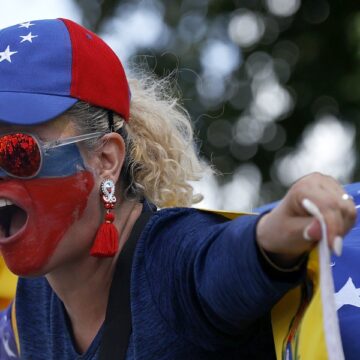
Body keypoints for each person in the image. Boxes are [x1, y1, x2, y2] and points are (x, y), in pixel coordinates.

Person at [0, 18, 355, 360]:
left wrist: (275, 235)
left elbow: (224, 259)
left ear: (106, 159)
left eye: (17, 151)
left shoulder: (170, 261)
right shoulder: (29, 309)